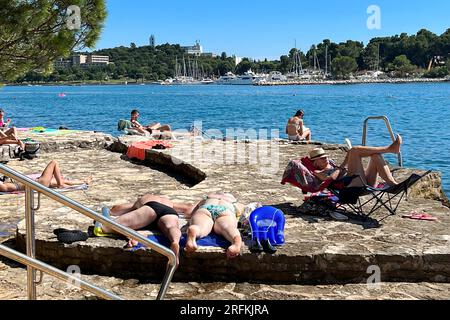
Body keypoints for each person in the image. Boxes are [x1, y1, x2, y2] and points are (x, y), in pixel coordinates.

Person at [94, 194, 195, 266]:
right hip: (170, 211)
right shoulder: (169, 202)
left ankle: (134, 233)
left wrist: (110, 211)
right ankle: (175, 242)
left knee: (106, 227)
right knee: (171, 228)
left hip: (151, 208)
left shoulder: (144, 198)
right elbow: (188, 208)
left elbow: (117, 209)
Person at [310, 134, 403, 188]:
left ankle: (394, 184)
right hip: (352, 185)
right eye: (322, 158)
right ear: (315, 162)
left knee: (375, 156)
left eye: (325, 156)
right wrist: (342, 166)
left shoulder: (332, 166)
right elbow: (331, 178)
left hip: (363, 181)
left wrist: (344, 163)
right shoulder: (317, 172)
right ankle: (389, 149)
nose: (325, 158)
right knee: (354, 150)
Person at [185, 192, 245, 259]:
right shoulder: (235, 202)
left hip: (205, 208)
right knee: (228, 227)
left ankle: (194, 230)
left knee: (200, 227)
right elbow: (243, 215)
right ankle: (235, 241)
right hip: (226, 210)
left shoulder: (207, 198)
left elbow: (189, 212)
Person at [0, 160, 93, 192]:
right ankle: (61, 185)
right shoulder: (5, 187)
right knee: (53, 162)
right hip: (38, 184)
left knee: (61, 180)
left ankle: (83, 181)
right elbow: (2, 186)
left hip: (37, 183)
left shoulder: (6, 183)